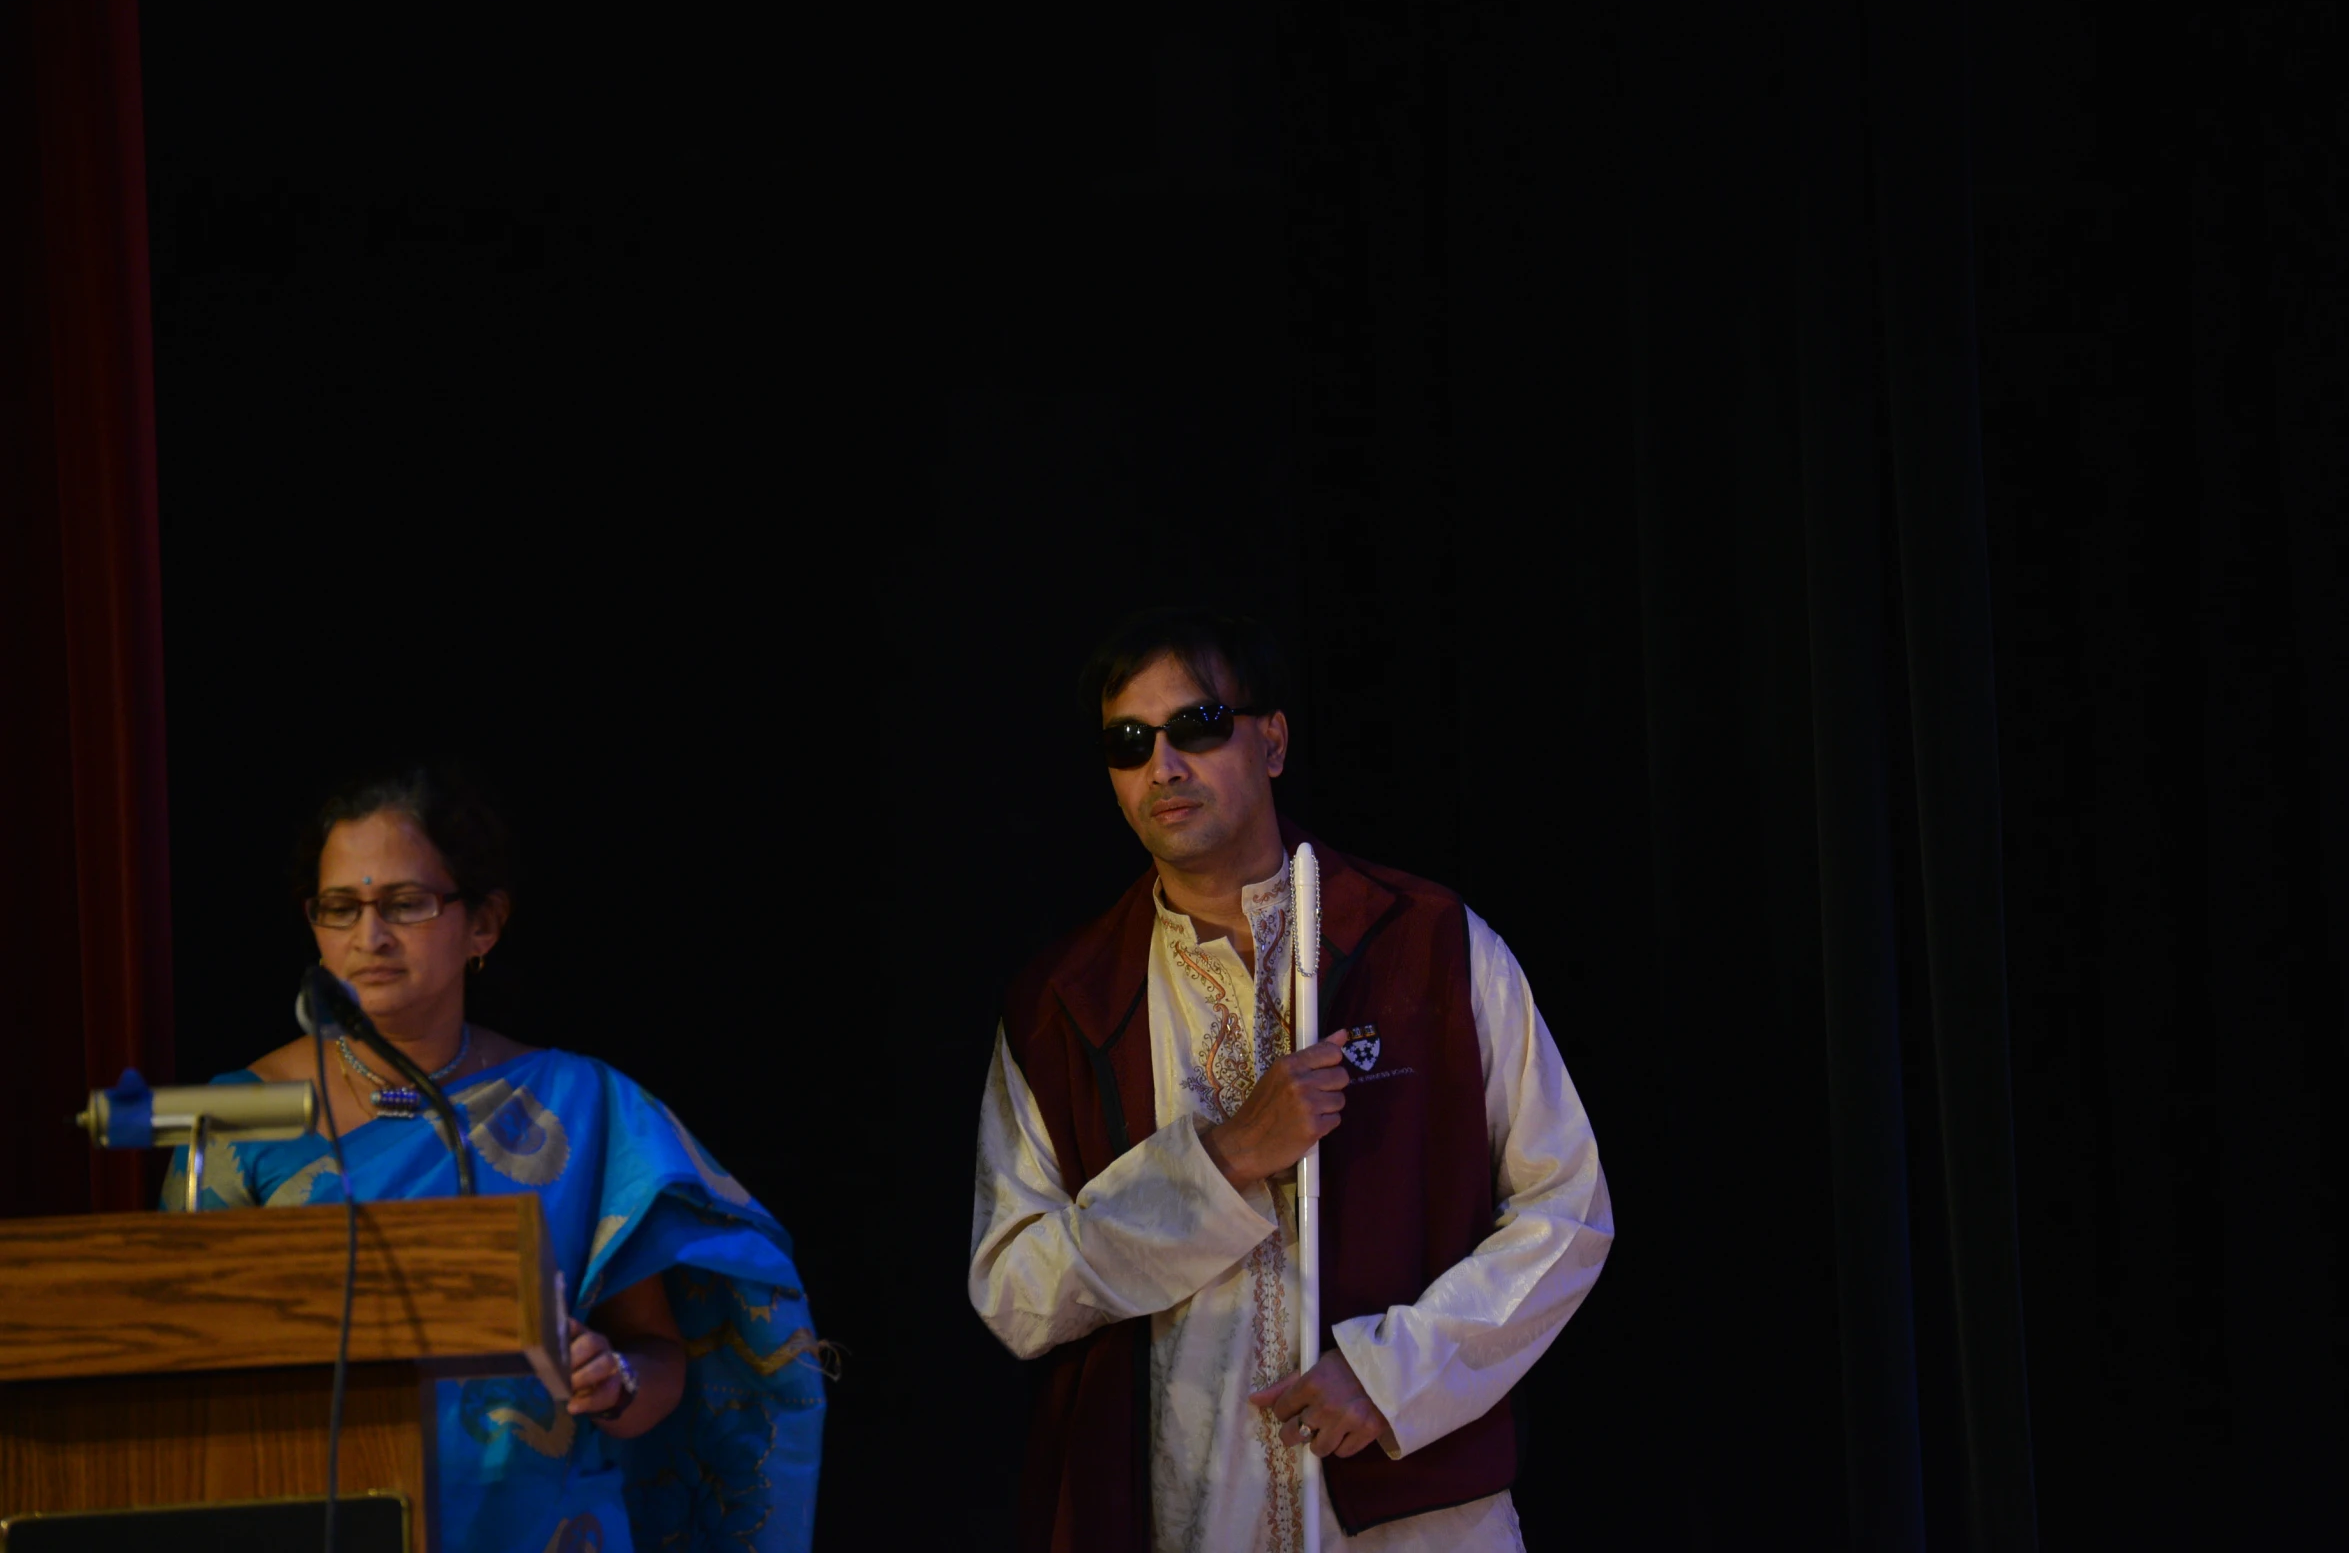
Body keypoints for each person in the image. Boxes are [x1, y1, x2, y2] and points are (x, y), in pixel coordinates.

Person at [969, 609, 1615, 1553]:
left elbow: (1567, 1208)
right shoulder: (1063, 1004)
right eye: (1128, 742)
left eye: (1195, 725)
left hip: (1415, 1512)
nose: (1164, 766)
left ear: (1270, 740)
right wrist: (1222, 1159)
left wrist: (1394, 1375)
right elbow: (1015, 1293)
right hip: (1185, 1514)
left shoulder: (1426, 945)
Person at [164, 766, 824, 1553]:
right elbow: (186, 1377)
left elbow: (654, 1353)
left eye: (405, 904)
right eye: (340, 908)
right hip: (320, 1520)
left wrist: (613, 1380)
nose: (368, 937)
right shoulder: (238, 1120)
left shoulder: (576, 1106)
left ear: (484, 924)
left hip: (547, 1526)